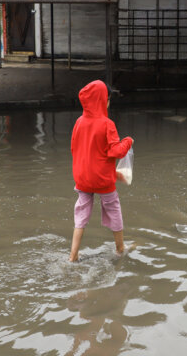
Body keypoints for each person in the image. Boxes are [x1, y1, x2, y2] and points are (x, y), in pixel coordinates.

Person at [69, 80, 134, 262]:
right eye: (107, 98)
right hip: (102, 180)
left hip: (82, 177)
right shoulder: (107, 124)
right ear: (102, 100)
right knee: (113, 208)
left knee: (81, 215)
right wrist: (128, 141)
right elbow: (116, 151)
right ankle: (120, 248)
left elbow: (74, 148)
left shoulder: (79, 122)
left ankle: (73, 255)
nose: (108, 102)